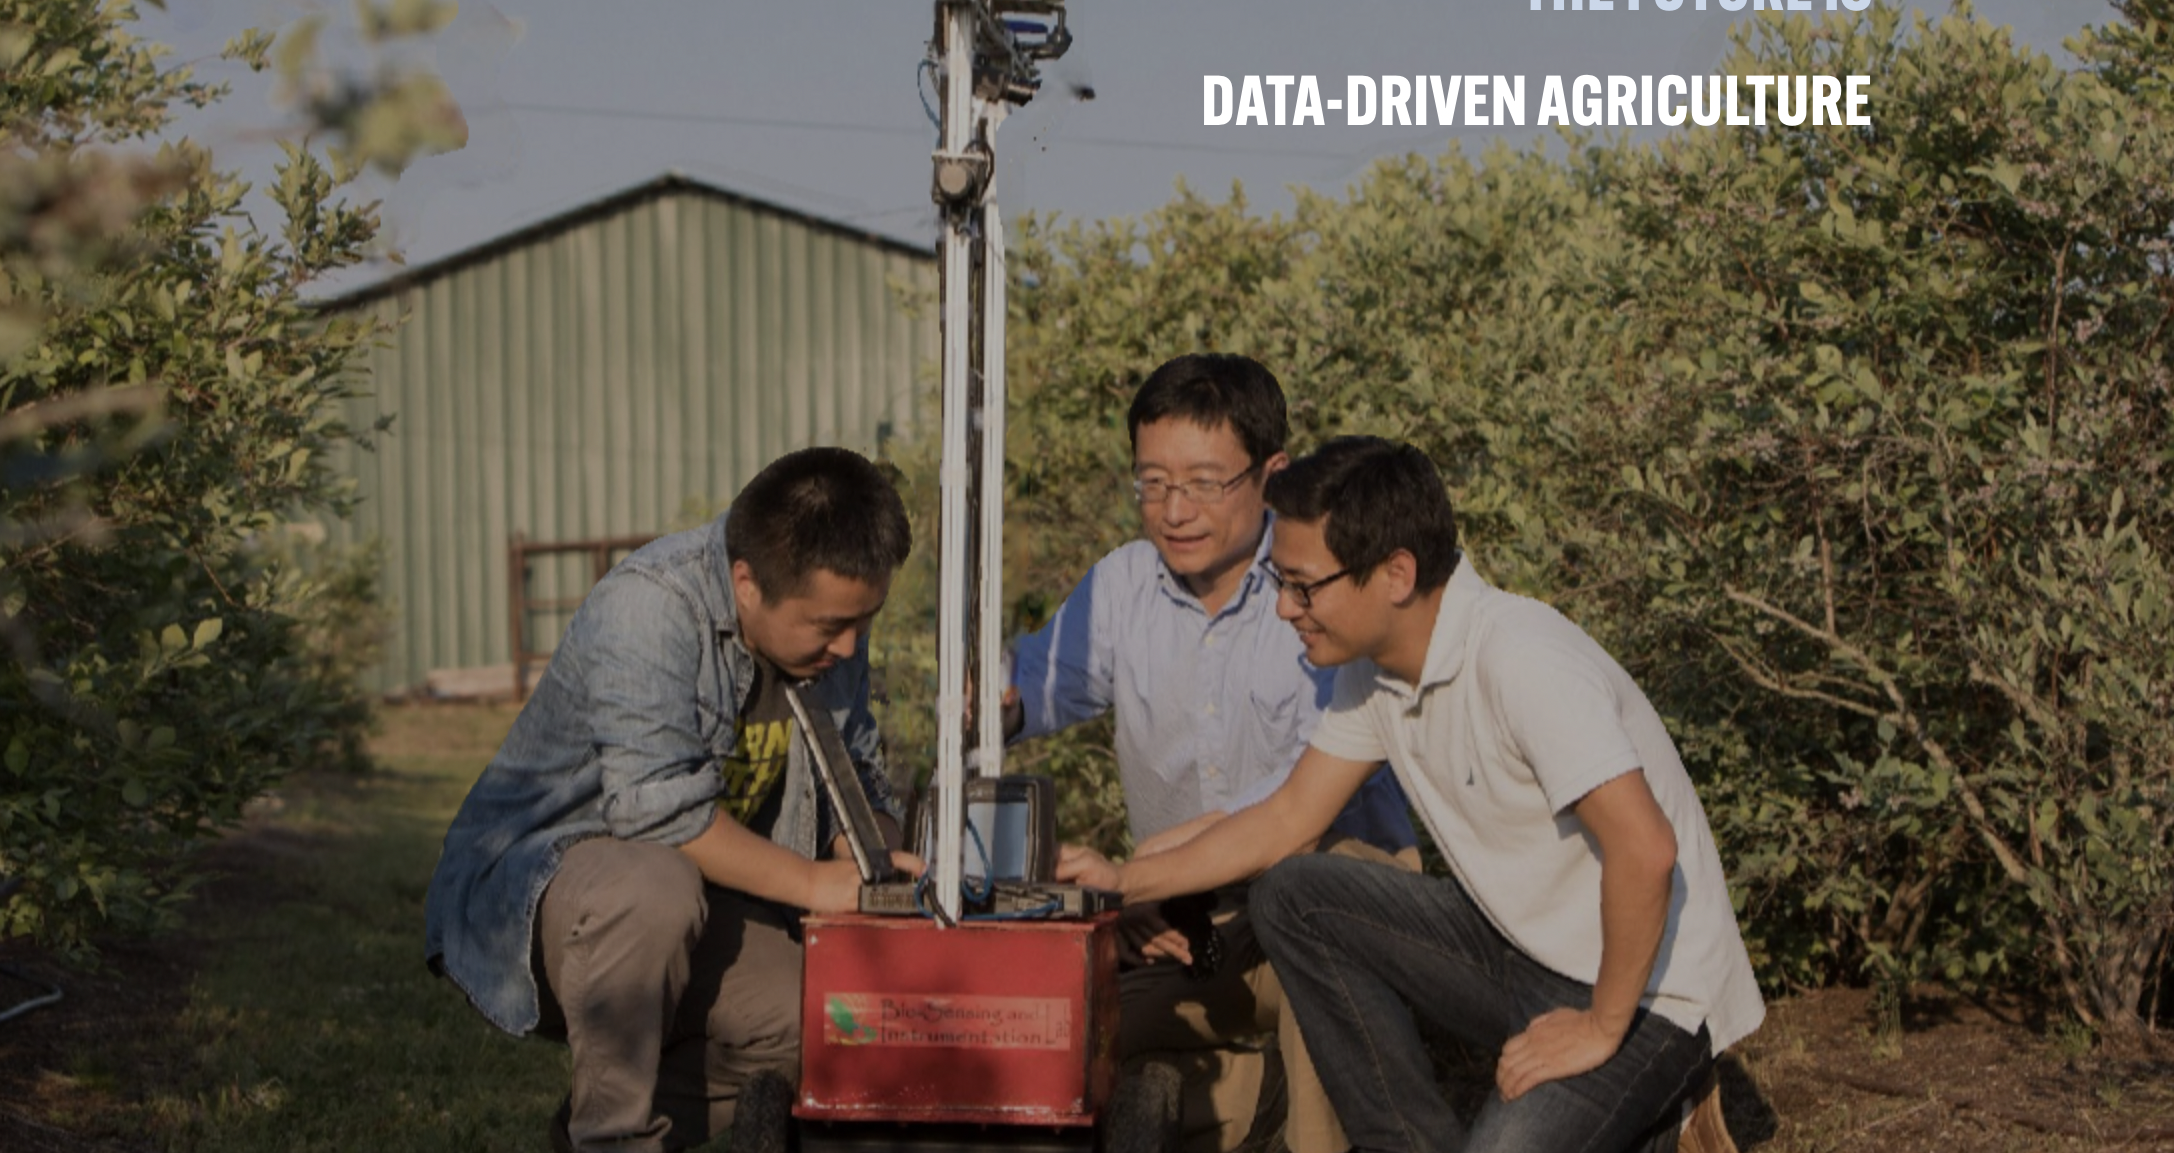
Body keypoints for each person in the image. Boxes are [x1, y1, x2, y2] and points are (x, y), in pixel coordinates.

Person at [1059, 436, 1765, 1153]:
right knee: (1295, 893)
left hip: (1645, 993)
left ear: (1395, 574)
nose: (1282, 609)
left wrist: (1601, 1027)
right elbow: (1285, 819)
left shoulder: (1522, 659)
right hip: (1522, 953)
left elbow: (1646, 850)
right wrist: (1121, 881)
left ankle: (1666, 1099)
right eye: (1279, 580)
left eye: (1303, 586)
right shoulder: (1376, 674)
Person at [424, 446, 921, 1153]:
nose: (848, 646)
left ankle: (586, 1133)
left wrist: (868, 852)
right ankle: (616, 1139)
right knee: (654, 882)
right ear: (747, 583)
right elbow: (654, 811)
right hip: (541, 888)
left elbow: (859, 768)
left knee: (821, 1020)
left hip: (702, 891)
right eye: (829, 627)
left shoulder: (830, 629)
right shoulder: (648, 605)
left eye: (862, 623)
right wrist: (814, 882)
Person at [1006, 355, 1418, 1153]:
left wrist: (1146, 875)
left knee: (1313, 901)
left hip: (1333, 888)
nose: (1174, 510)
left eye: (1202, 482)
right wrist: (995, 696)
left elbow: (1296, 808)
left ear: (1272, 474)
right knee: (1073, 1042)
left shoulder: (1319, 586)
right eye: (1152, 482)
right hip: (1194, 918)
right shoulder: (1123, 586)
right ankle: (1260, 1099)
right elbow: (1033, 680)